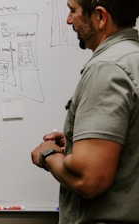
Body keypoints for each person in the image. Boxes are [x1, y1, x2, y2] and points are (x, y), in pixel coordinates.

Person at [31, 0, 139, 223]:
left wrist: (48, 154)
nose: (69, 20)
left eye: (73, 10)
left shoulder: (108, 67)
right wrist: (75, 141)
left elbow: (88, 178)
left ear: (100, 17)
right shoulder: (133, 57)